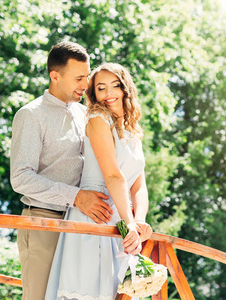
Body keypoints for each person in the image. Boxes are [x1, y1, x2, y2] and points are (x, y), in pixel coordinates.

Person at [10, 41, 114, 300]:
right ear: (54, 76)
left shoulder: (86, 114)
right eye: (79, 77)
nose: (86, 84)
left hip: (80, 227)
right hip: (44, 223)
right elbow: (20, 178)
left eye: (87, 76)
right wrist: (76, 197)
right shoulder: (31, 115)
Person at [45, 63, 153, 300]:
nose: (108, 94)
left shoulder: (133, 130)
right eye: (101, 88)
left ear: (126, 89)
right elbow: (113, 175)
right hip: (94, 215)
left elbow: (139, 185)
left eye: (115, 86)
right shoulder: (97, 118)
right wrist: (130, 223)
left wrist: (139, 221)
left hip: (120, 222)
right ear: (94, 94)